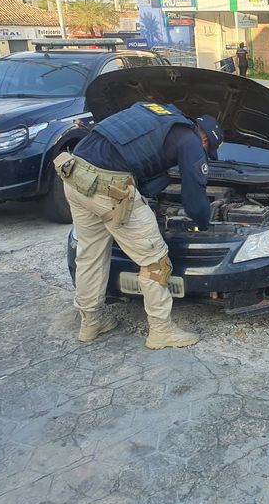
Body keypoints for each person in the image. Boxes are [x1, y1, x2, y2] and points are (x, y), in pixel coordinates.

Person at [54, 102, 223, 349]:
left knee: (90, 254)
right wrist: (203, 223)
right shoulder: (191, 140)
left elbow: (132, 152)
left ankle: (91, 322)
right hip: (107, 188)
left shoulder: (156, 110)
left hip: (74, 174)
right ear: (205, 137)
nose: (204, 151)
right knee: (155, 260)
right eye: (209, 148)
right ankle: (161, 331)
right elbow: (194, 202)